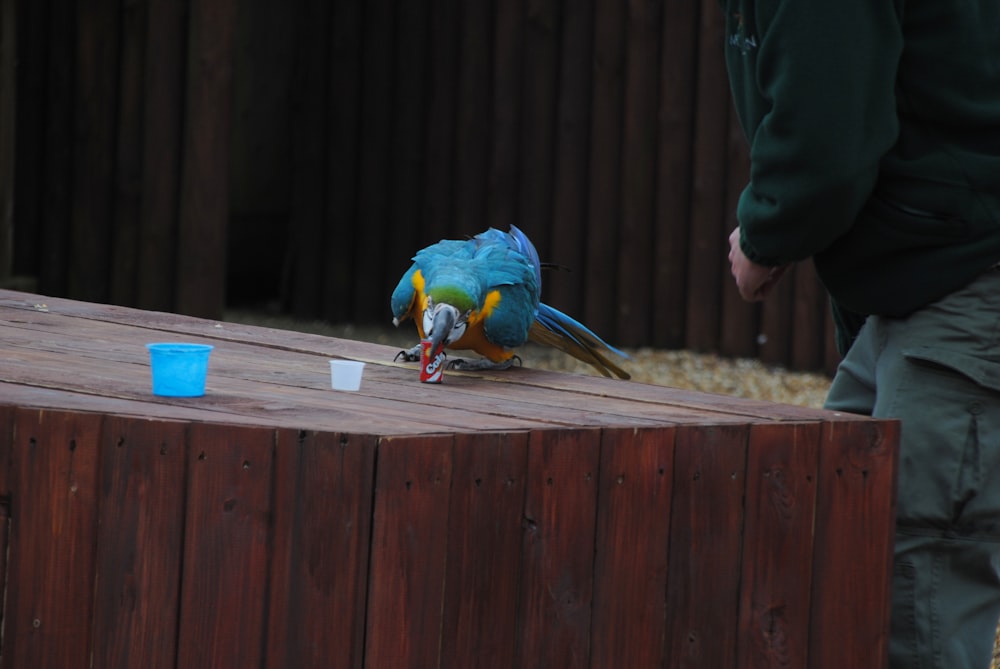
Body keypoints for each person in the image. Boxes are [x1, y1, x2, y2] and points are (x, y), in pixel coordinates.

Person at [721, 2, 1000, 667]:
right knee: (830, 555)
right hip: (911, 291)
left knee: (909, 606)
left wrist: (767, 233)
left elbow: (827, 140)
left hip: (964, 283)